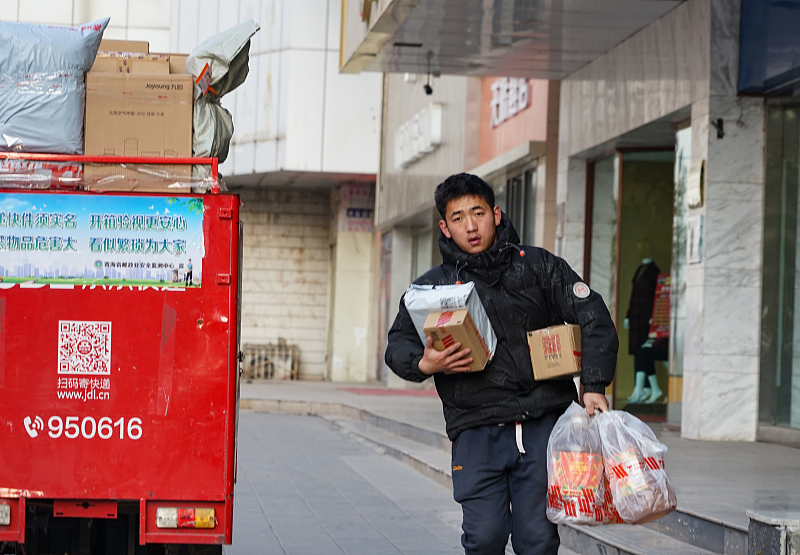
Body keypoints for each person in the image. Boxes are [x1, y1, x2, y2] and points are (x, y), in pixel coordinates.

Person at [385, 173, 618, 555]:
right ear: (444, 226)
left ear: (496, 213)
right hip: (476, 431)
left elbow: (592, 314)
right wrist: (424, 363)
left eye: (478, 212)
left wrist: (593, 385)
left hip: (544, 426)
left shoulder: (538, 266)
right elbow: (397, 345)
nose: (471, 226)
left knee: (538, 540)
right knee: (484, 539)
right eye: (458, 218)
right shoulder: (432, 288)